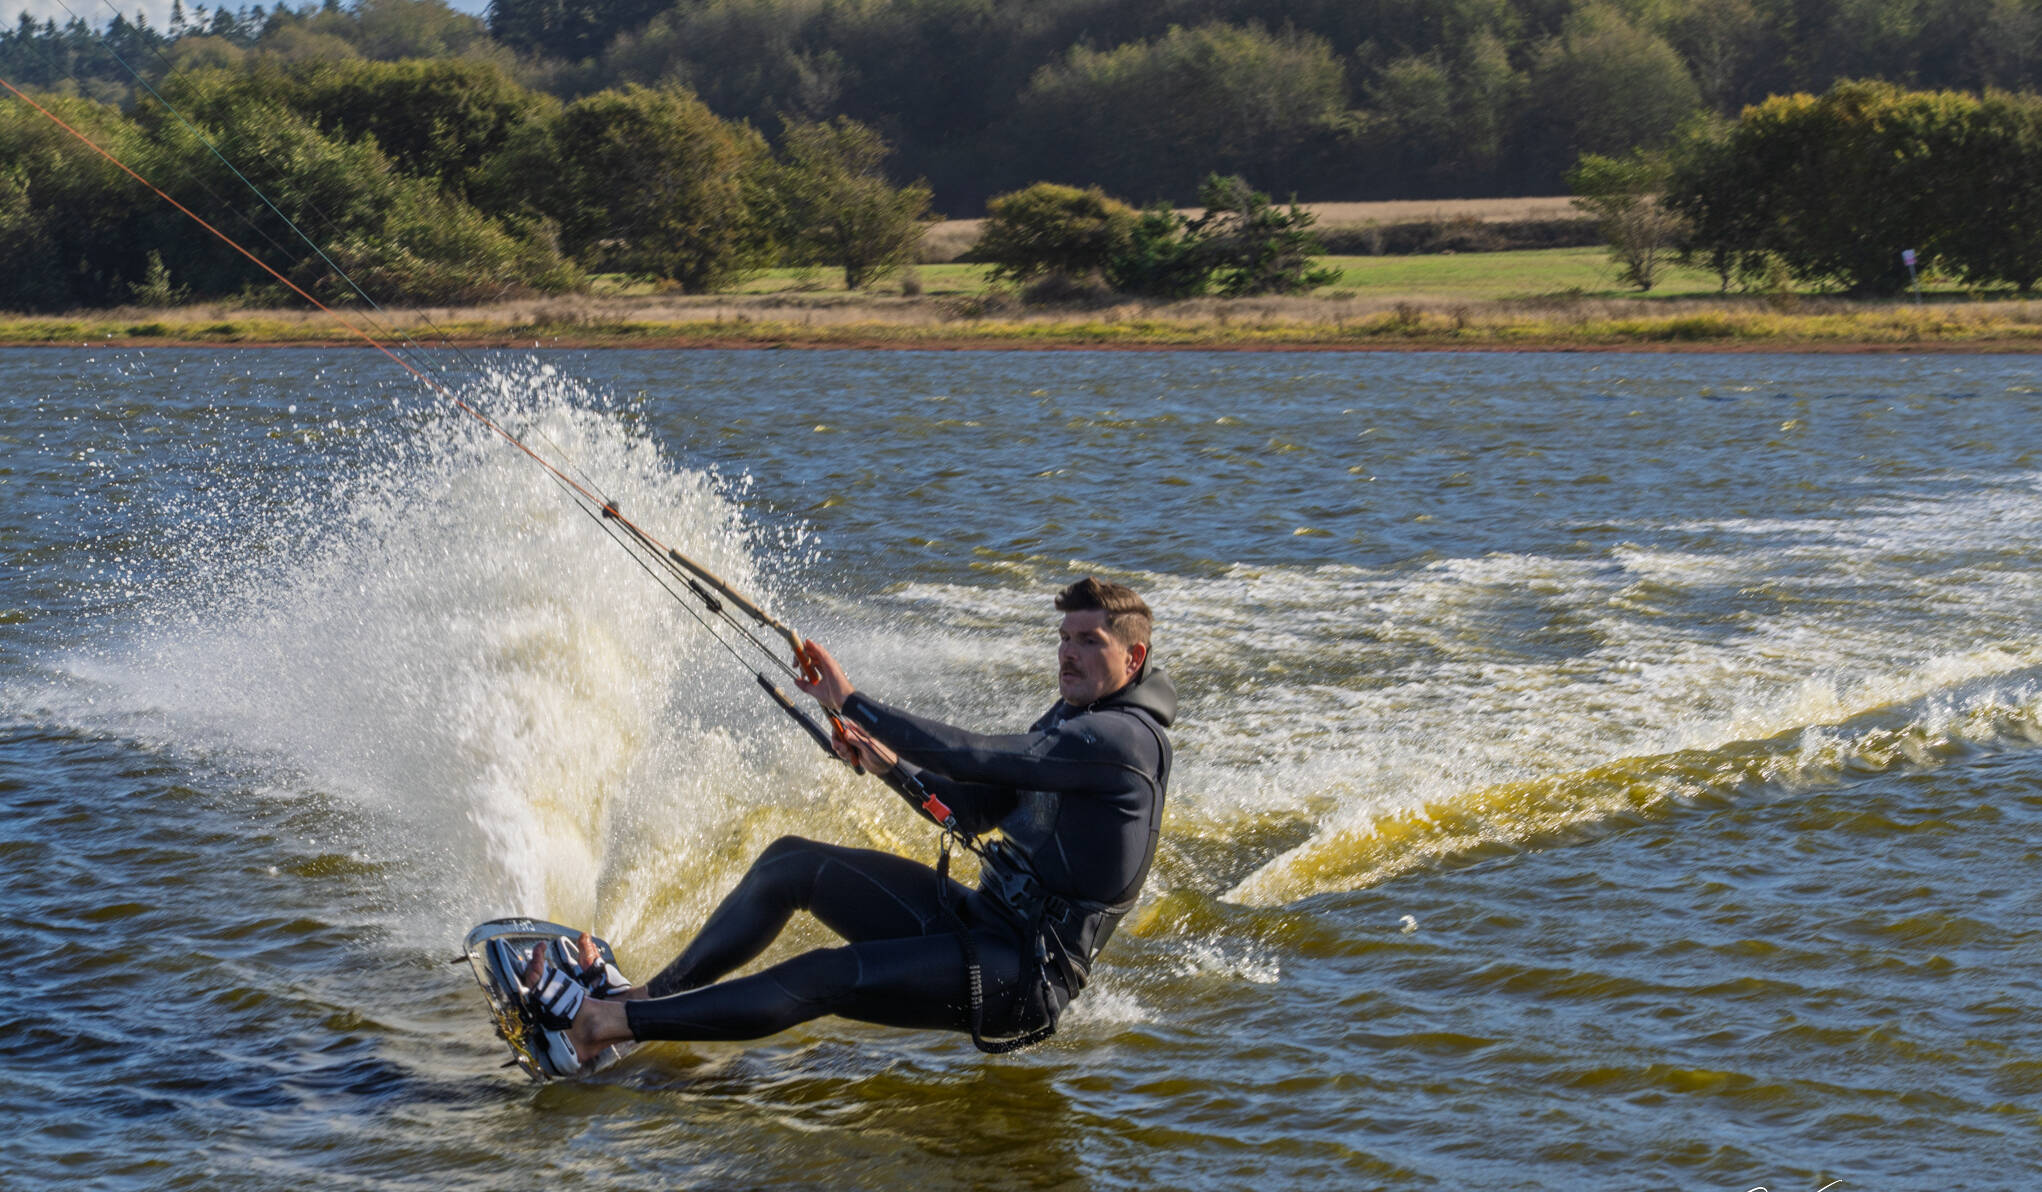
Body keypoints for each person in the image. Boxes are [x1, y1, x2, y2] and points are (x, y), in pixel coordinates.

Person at [518, 576, 1176, 1073]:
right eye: (1063, 639)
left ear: (1133, 656)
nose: (1067, 654)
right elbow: (971, 808)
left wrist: (850, 700)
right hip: (984, 922)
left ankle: (600, 1026)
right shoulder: (1073, 719)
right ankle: (638, 1003)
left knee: (823, 975)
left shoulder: (1123, 742)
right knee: (790, 864)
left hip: (1024, 974)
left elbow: (971, 754)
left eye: (1089, 642)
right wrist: (886, 762)